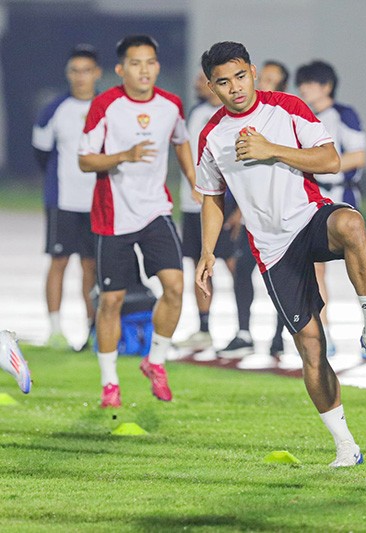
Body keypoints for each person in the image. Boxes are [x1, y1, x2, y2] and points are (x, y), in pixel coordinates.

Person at [195, 41, 366, 466]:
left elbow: (330, 160)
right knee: (310, 346)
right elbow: (212, 197)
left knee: (352, 224)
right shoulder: (212, 136)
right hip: (272, 248)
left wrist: (271, 149)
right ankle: (346, 445)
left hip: (310, 218)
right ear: (212, 87)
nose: (235, 87)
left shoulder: (286, 107)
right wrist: (207, 252)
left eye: (240, 76)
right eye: (223, 82)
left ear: (253, 72)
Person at [78, 35, 195, 408]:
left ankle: (155, 361)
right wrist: (123, 156)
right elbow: (85, 160)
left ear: (157, 66)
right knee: (111, 301)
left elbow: (181, 140)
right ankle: (109, 383)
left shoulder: (171, 105)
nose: (144, 70)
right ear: (120, 69)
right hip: (113, 216)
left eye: (150, 62)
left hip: (156, 210)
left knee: (175, 287)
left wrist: (194, 180)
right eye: (135, 63)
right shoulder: (105, 105)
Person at [295, 60, 366, 358]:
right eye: (301, 84)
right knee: (315, 269)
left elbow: (358, 155)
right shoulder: (300, 117)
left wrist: (324, 165)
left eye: (310, 83)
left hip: (341, 196)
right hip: (310, 199)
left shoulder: (343, 114)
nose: (303, 89)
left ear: (326, 86)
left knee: (358, 266)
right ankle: (325, 335)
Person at [32, 44, 102, 351]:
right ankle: (55, 330)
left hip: (96, 201)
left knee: (91, 265)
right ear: (67, 73)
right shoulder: (53, 110)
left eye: (86, 71)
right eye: (74, 71)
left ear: (96, 73)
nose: (80, 76)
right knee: (59, 261)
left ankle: (92, 328)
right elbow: (41, 153)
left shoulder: (108, 106)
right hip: (63, 200)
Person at [233, 60, 292, 369]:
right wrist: (238, 211)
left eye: (271, 79)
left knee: (281, 277)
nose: (263, 83)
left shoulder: (286, 118)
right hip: (252, 216)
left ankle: (279, 335)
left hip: (283, 214)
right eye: (262, 77)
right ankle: (243, 332)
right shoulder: (244, 119)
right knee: (242, 269)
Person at [173, 70, 235, 360]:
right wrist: (191, 185)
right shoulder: (196, 113)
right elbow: (184, 152)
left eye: (203, 79)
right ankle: (204, 328)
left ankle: (244, 328)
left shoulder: (232, 114)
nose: (198, 84)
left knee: (236, 264)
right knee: (199, 265)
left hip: (224, 202)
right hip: (193, 205)